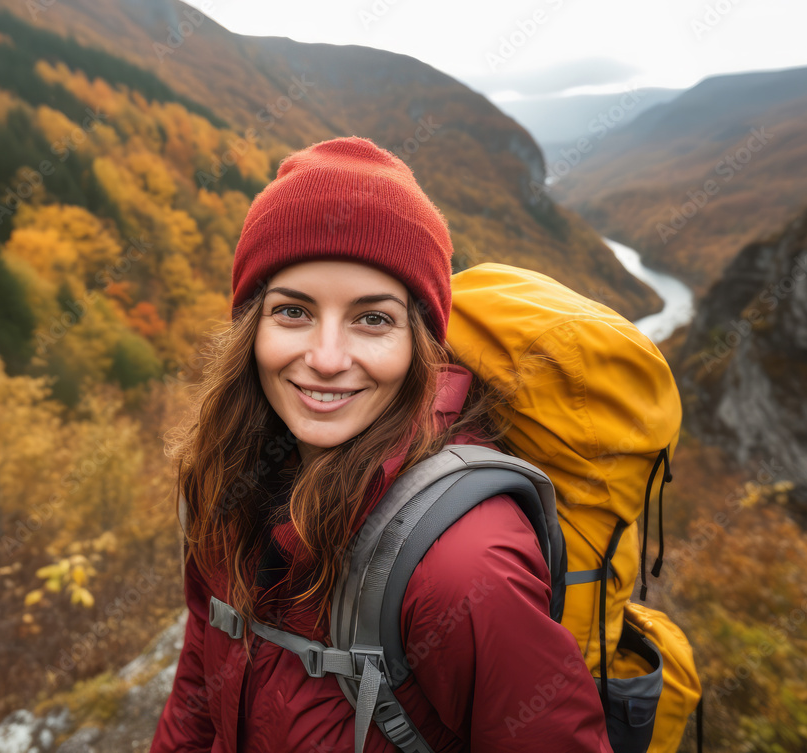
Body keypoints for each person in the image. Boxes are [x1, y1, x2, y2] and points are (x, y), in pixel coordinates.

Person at [150, 136, 613, 752]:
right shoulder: (226, 485)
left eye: (373, 319)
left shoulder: (463, 565)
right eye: (293, 312)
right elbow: (196, 697)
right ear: (251, 327)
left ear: (420, 344)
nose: (326, 358)